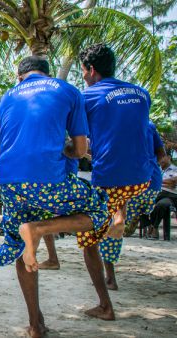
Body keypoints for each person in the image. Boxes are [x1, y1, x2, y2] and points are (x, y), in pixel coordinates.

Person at [0, 56, 110, 337]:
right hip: (50, 183)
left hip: (12, 185)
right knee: (101, 207)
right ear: (45, 72)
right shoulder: (67, 90)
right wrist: (64, 148)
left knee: (21, 245)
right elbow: (80, 150)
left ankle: (35, 325)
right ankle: (40, 228)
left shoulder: (6, 98)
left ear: (20, 77)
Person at [78, 44, 153, 293]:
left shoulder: (87, 96)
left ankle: (106, 286)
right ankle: (119, 216)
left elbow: (78, 137)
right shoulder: (142, 93)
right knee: (115, 207)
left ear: (91, 70)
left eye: (83, 72)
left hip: (111, 176)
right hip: (145, 177)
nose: (84, 77)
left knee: (89, 234)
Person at [123, 122, 165, 243]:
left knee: (117, 204)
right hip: (154, 181)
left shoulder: (121, 123)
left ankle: (128, 220)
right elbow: (162, 154)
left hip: (132, 181)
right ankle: (145, 219)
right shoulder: (149, 125)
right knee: (146, 205)